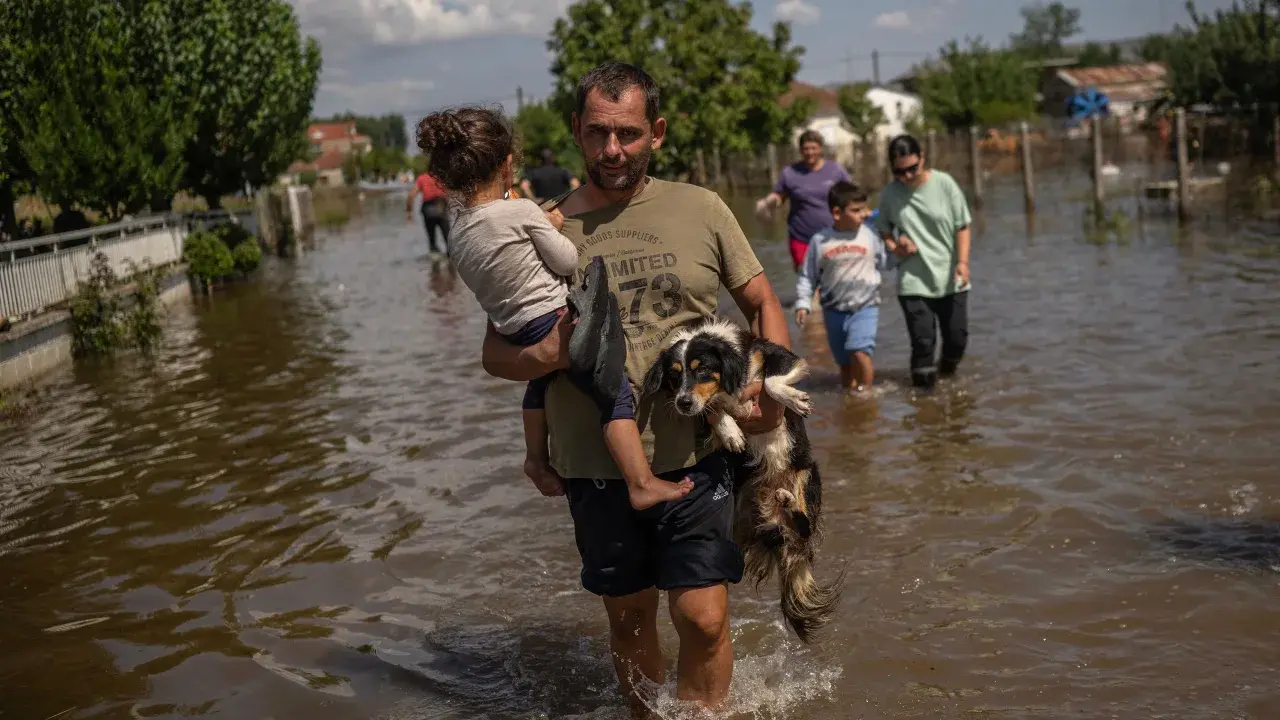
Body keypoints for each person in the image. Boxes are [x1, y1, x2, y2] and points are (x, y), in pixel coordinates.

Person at [479, 61, 789, 716]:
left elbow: (761, 301)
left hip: (701, 451)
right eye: (597, 134)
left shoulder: (702, 208)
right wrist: (546, 352)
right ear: (575, 132)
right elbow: (494, 356)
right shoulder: (542, 230)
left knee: (703, 619)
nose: (612, 151)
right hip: (596, 467)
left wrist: (764, 392)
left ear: (658, 132)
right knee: (629, 623)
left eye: (628, 134)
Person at [415, 106, 693, 512]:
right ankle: (641, 481)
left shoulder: (457, 233)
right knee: (615, 394)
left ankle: (535, 459)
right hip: (555, 317)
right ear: (508, 165)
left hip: (511, 326)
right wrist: (552, 227)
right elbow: (565, 261)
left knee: (539, 383)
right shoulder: (522, 210)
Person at [875, 134, 972, 389]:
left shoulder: (945, 184)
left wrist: (962, 262)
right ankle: (926, 413)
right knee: (923, 344)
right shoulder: (890, 195)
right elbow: (883, 229)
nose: (906, 176)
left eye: (912, 168)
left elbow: (962, 225)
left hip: (951, 277)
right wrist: (896, 246)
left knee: (957, 340)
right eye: (899, 172)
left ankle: (948, 384)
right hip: (913, 281)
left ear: (923, 159)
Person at [793, 181, 893, 394]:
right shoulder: (820, 241)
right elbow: (808, 276)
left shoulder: (870, 235)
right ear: (837, 213)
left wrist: (899, 248)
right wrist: (803, 303)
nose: (864, 214)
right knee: (844, 363)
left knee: (859, 352)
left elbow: (886, 262)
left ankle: (866, 395)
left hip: (865, 306)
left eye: (864, 209)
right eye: (856, 210)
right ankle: (850, 397)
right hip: (833, 309)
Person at [755, 130, 851, 271]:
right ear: (800, 150)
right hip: (801, 237)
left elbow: (851, 195)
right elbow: (779, 196)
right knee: (806, 281)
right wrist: (768, 203)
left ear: (820, 148)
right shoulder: (790, 173)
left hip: (832, 236)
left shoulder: (835, 170)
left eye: (813, 148)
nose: (810, 152)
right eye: (806, 149)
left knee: (833, 278)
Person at [406, 169, 450, 253]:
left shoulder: (422, 178)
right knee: (448, 238)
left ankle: (434, 257)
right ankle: (450, 261)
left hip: (427, 208)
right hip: (441, 206)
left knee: (431, 238)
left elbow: (411, 195)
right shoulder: (442, 177)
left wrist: (409, 211)